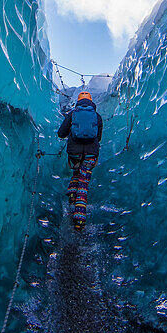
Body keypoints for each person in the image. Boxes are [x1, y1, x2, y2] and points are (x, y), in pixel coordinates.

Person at [57, 90, 103, 230]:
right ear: (91, 101)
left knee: (76, 171)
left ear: (78, 101)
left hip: (74, 153)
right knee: (83, 183)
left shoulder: (72, 114)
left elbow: (61, 133)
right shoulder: (97, 116)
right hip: (90, 154)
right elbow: (98, 138)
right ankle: (79, 218)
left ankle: (71, 193)